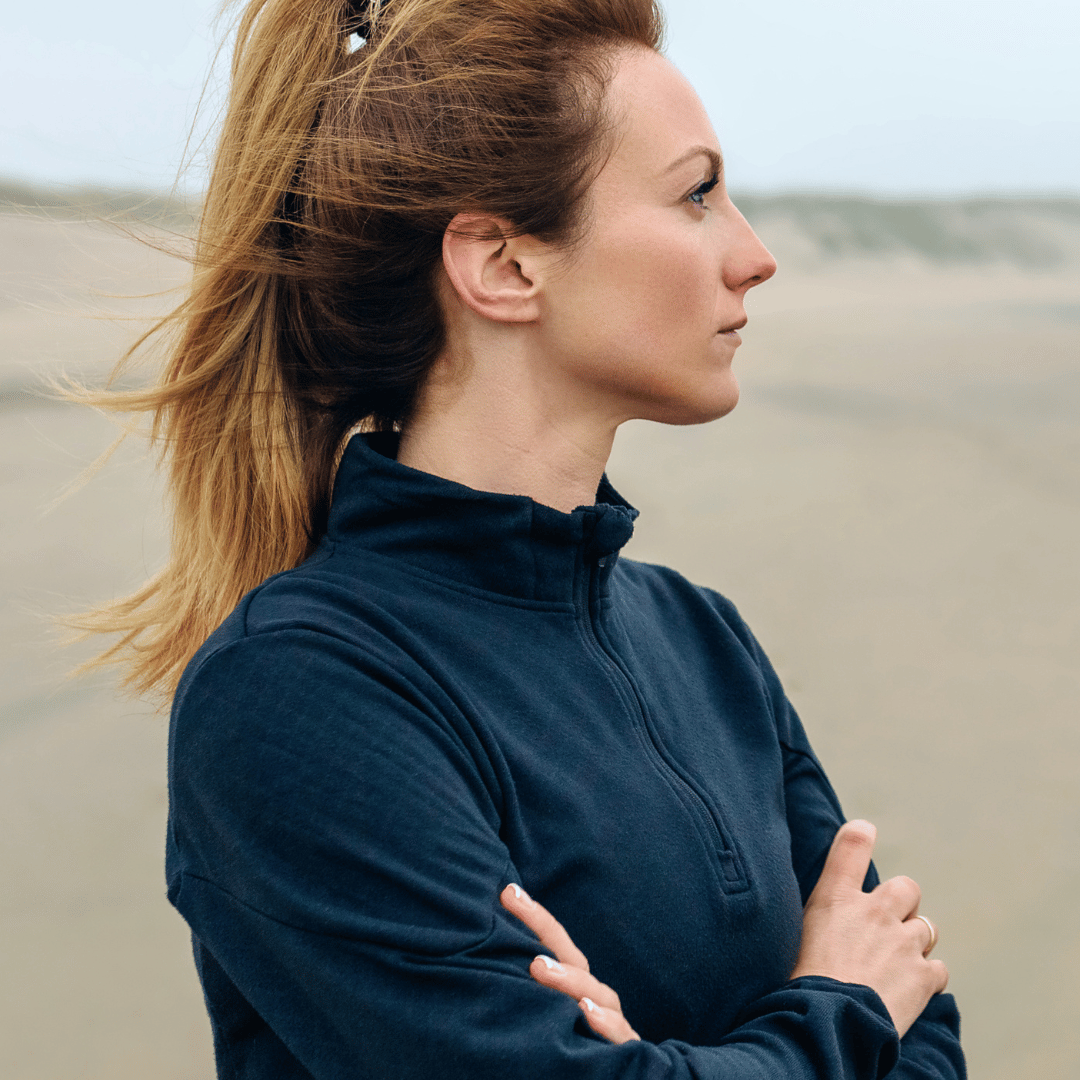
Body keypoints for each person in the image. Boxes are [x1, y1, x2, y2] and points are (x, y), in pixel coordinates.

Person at [78, 0, 964, 1076]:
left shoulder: (700, 636)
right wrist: (837, 1013)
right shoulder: (301, 692)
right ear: (503, 264)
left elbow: (924, 1019)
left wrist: (701, 1056)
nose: (755, 256)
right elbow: (874, 1010)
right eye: (696, 195)